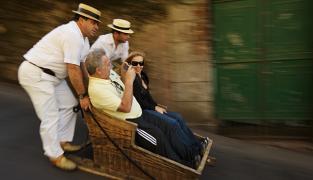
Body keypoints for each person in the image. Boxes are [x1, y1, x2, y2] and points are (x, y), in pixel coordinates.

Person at [17, 3, 101, 170]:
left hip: (54, 77)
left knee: (70, 104)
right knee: (50, 115)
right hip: (36, 74)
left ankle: (62, 141)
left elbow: (82, 64)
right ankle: (54, 155)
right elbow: (73, 68)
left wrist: (92, 85)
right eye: (93, 22)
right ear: (81, 19)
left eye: (98, 23)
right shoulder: (71, 34)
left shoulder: (83, 40)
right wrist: (83, 96)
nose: (97, 27)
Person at [86, 49, 201, 168]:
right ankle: (185, 168)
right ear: (98, 71)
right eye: (107, 64)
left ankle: (192, 154)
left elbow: (123, 82)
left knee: (170, 125)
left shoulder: (109, 74)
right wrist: (129, 81)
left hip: (140, 113)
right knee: (159, 139)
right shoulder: (97, 90)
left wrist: (125, 72)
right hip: (130, 124)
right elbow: (125, 107)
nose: (110, 65)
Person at [123, 51, 209, 157]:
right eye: (135, 63)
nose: (138, 66)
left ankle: (197, 146)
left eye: (141, 63)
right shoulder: (131, 80)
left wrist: (156, 105)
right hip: (142, 111)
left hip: (150, 108)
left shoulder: (143, 76)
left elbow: (148, 97)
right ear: (130, 64)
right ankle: (191, 153)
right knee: (172, 124)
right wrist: (154, 107)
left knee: (178, 118)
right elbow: (139, 101)